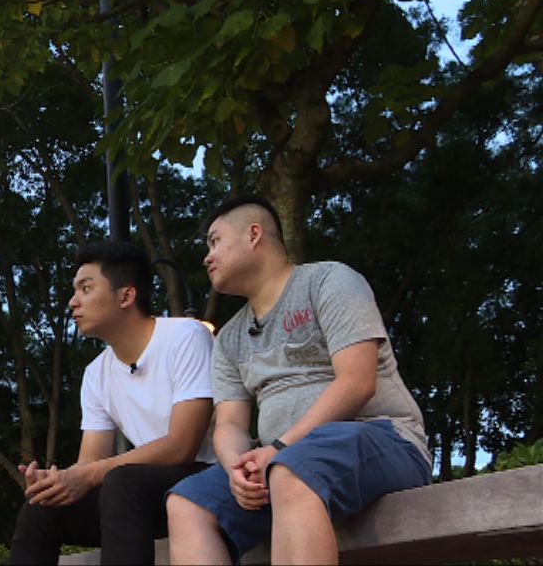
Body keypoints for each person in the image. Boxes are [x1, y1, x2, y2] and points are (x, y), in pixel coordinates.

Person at [165, 195, 432, 565]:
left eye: (215, 242)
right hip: (285, 465)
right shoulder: (228, 339)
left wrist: (280, 447)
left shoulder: (329, 281)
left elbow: (357, 382)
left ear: (253, 235)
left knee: (290, 470)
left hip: (385, 440)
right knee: (187, 502)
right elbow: (229, 424)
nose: (206, 257)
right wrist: (237, 468)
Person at [8, 240, 217, 565]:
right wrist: (57, 482)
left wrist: (90, 473)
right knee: (42, 507)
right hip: (143, 495)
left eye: (86, 288)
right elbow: (90, 463)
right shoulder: (96, 373)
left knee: (122, 480)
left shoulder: (186, 336)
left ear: (126, 296)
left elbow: (182, 446)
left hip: (209, 480)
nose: (73, 302)